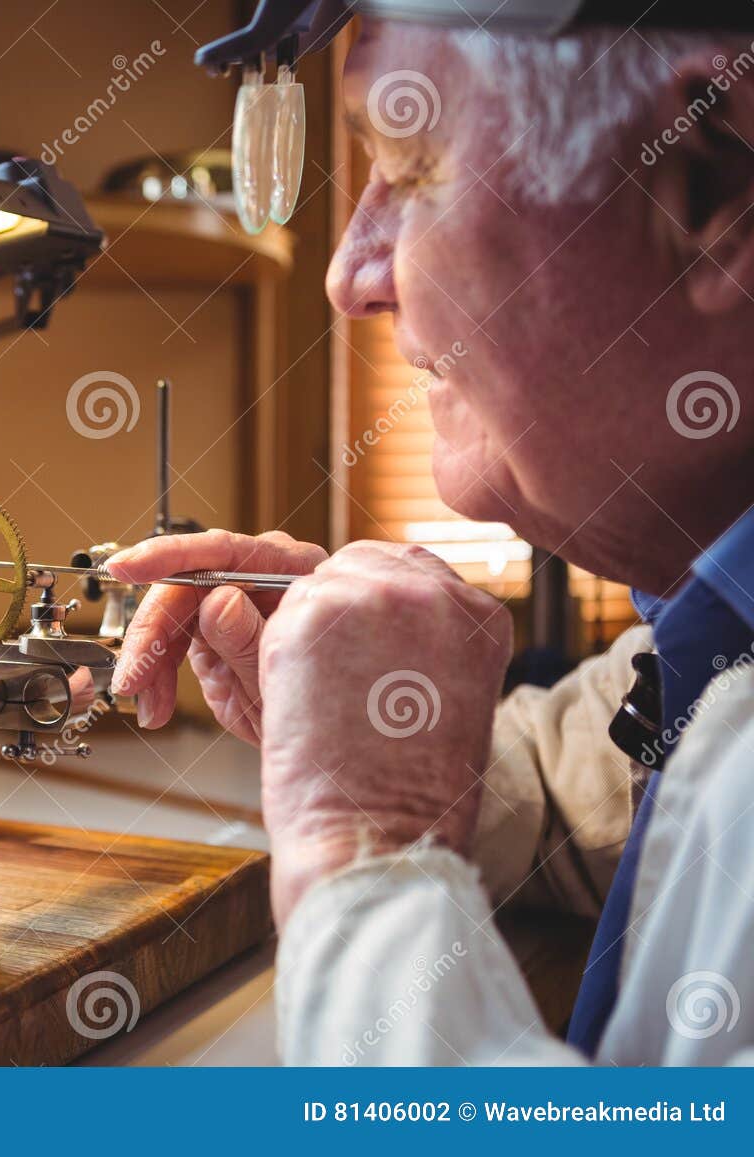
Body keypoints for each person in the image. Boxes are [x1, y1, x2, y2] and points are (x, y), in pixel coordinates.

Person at [110, 18, 754, 1064]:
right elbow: (582, 788)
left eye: (411, 169)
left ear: (712, 189)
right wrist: (373, 734)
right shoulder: (715, 636)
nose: (349, 274)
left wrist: (360, 846)